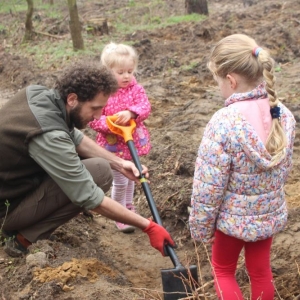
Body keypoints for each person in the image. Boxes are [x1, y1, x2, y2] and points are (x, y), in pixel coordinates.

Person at [0, 61, 174, 258]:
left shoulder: (38, 95)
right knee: (92, 180)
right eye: (95, 108)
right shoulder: (49, 135)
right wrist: (148, 226)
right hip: (5, 210)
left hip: (16, 187)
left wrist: (119, 163)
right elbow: (90, 197)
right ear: (73, 99)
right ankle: (21, 239)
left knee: (101, 169)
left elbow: (74, 137)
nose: (98, 116)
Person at [189, 34, 296, 299]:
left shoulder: (223, 122)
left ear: (231, 80)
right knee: (260, 271)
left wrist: (201, 227)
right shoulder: (283, 114)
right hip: (267, 216)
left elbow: (208, 185)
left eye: (218, 81)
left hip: (231, 221)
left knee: (222, 270)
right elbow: (284, 169)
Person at [89, 42, 151, 233]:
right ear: (108, 72)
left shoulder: (136, 89)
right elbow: (94, 119)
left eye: (130, 71)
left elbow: (145, 106)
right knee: (121, 180)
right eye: (121, 72)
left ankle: (129, 206)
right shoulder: (102, 93)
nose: (126, 76)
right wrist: (111, 124)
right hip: (113, 146)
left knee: (133, 177)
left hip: (132, 143)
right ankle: (119, 213)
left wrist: (132, 113)